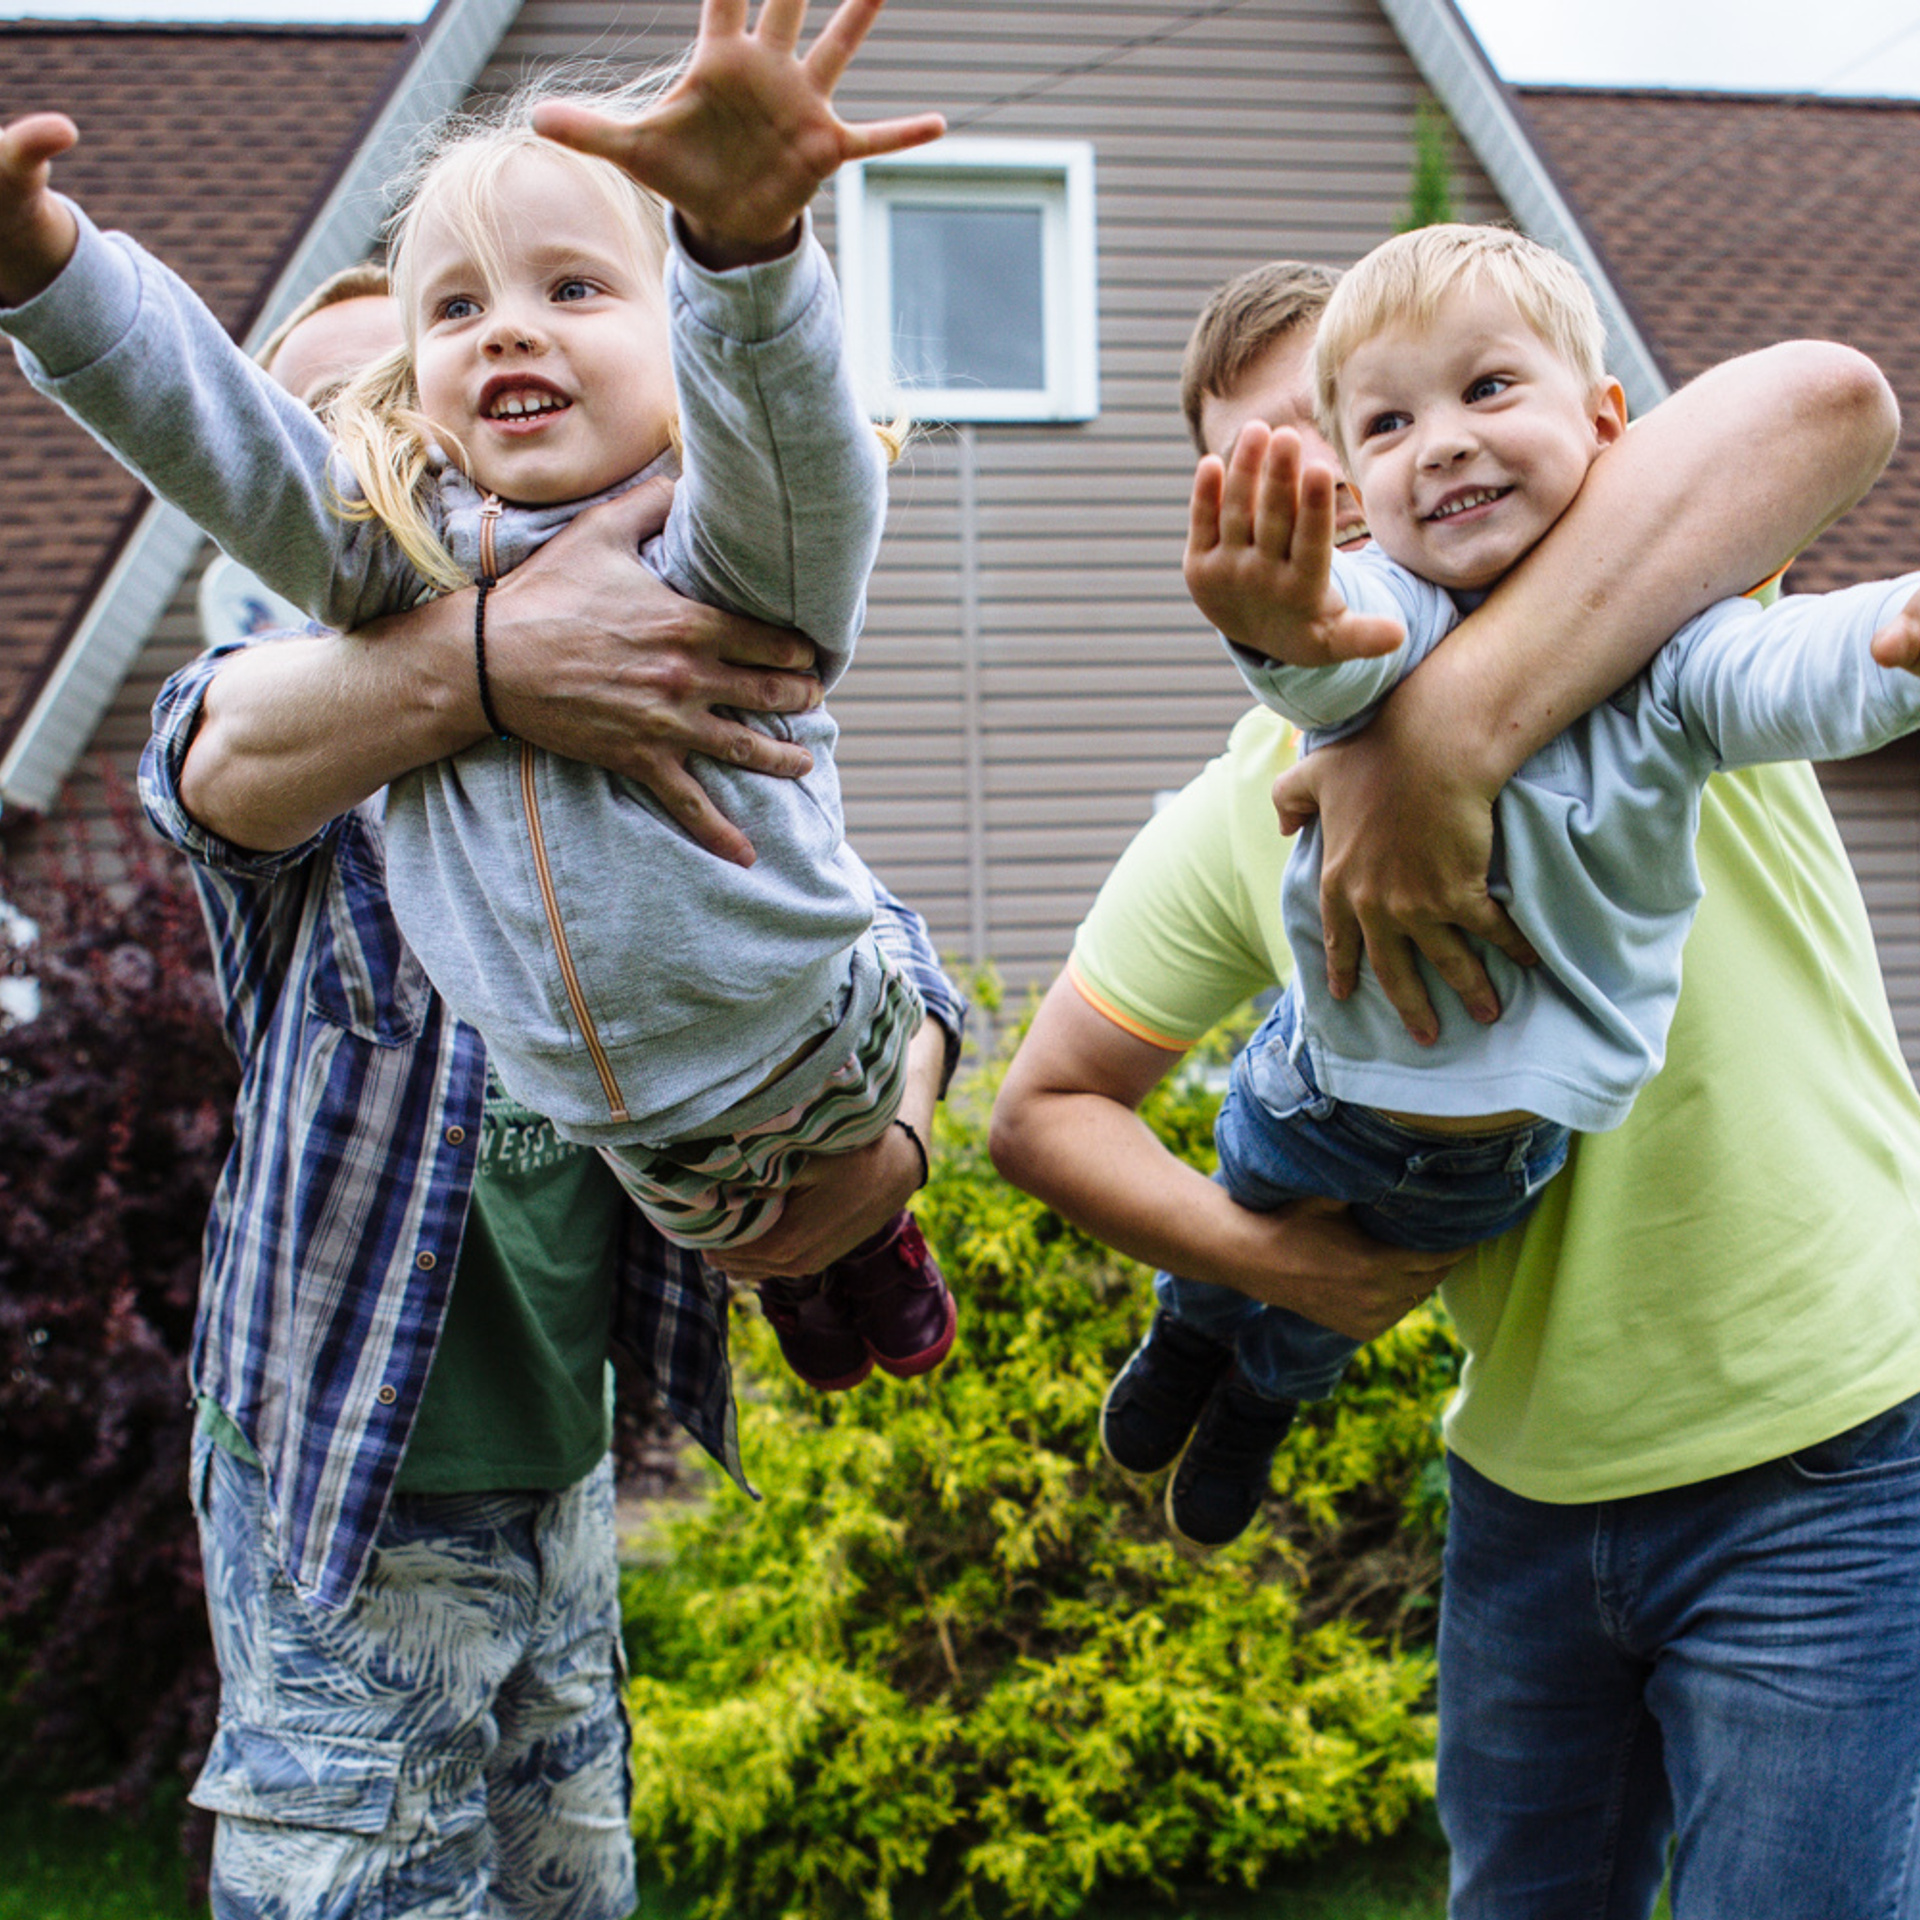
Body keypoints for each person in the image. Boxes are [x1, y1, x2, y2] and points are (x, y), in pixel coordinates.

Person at [991, 255, 1920, 1912]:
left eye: (1346, 438)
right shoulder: (1235, 803)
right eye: (1281, 465)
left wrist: (1449, 740)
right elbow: (1044, 1108)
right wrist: (1278, 1269)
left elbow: (1834, 400)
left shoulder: (1665, 606)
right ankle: (1228, 1359)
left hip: (1831, 1457)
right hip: (1526, 1490)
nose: (1345, 489)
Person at [105, 179, 967, 1920]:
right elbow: (204, 759)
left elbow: (875, 933)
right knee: (356, 1885)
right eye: (345, 435)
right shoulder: (283, 723)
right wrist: (501, 657)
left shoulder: (663, 626)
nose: (413, 459)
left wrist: (888, 1159)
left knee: (573, 1877)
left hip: (557, 1456)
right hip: (350, 1455)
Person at [0, 0, 958, 1397]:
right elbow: (232, 446)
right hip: (637, 1134)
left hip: (812, 1036)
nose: (508, 331)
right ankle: (822, 1272)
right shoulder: (387, 582)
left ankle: (868, 1249)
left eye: (573, 290)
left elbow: (797, 450)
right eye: (456, 308)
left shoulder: (733, 548)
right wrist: (49, 278)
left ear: (674, 346)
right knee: (766, 1252)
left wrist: (745, 253)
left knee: (836, 1212)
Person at [1111, 224, 1920, 1546]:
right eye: (1367, 429)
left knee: (1340, 1304)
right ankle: (1190, 1328)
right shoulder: (1391, 603)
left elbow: (1774, 665)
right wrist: (1280, 626)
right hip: (1325, 1083)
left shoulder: (1666, 598)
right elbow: (1336, 654)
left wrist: (1889, 645)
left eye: (1486, 390)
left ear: (1606, 422)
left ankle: (1259, 1396)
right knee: (1257, 1190)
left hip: (1515, 1160)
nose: (1434, 444)